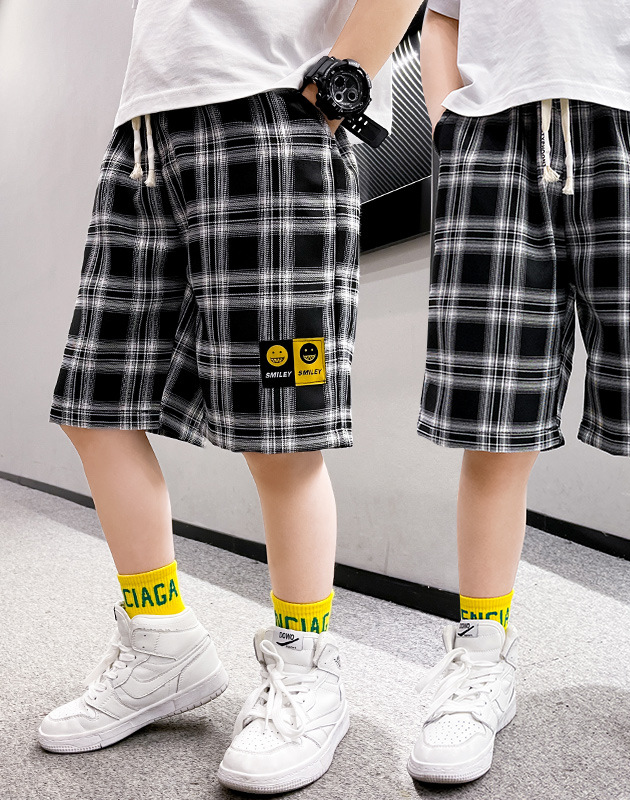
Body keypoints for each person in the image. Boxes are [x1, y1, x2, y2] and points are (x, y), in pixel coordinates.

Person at [39, 0, 420, 793]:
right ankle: (160, 642)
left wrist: (340, 82)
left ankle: (307, 667)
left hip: (272, 114)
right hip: (146, 135)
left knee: (280, 433)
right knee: (95, 407)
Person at [410, 0, 630, 790]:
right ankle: (480, 654)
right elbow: (442, 18)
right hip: (493, 144)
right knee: (493, 431)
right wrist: (446, 126)